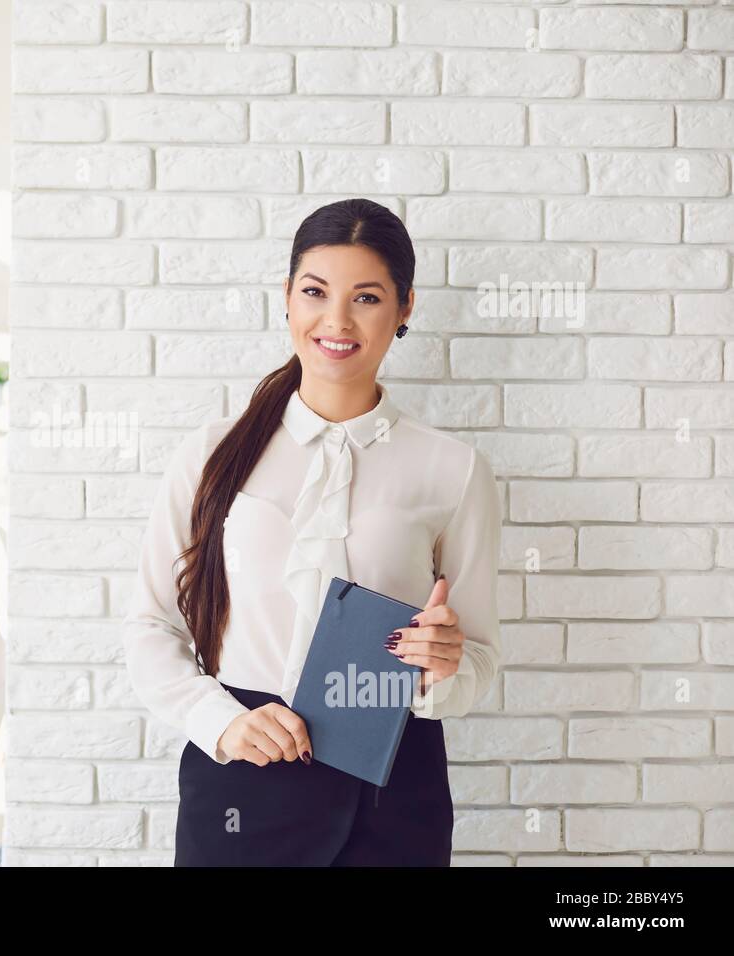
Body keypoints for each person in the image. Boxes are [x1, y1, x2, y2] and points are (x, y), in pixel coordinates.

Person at [123, 198, 502, 866]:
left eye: (366, 297)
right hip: (240, 777)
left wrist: (442, 667)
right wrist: (225, 723)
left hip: (393, 786)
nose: (337, 321)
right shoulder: (211, 454)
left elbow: (477, 660)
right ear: (287, 297)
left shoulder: (454, 469)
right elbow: (151, 627)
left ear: (405, 307)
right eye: (316, 292)